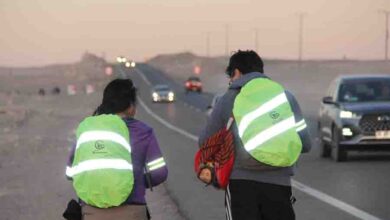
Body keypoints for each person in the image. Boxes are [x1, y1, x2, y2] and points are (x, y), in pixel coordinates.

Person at [199, 50, 312, 220]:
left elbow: (205, 142)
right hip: (279, 184)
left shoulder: (228, 98)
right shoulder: (285, 97)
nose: (230, 80)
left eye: (231, 75)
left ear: (236, 72)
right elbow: (305, 143)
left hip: (240, 184)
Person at [66, 79, 168, 220]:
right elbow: (159, 173)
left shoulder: (87, 129)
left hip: (92, 212)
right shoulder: (143, 131)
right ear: (131, 107)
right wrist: (133, 180)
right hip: (133, 212)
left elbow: (70, 172)